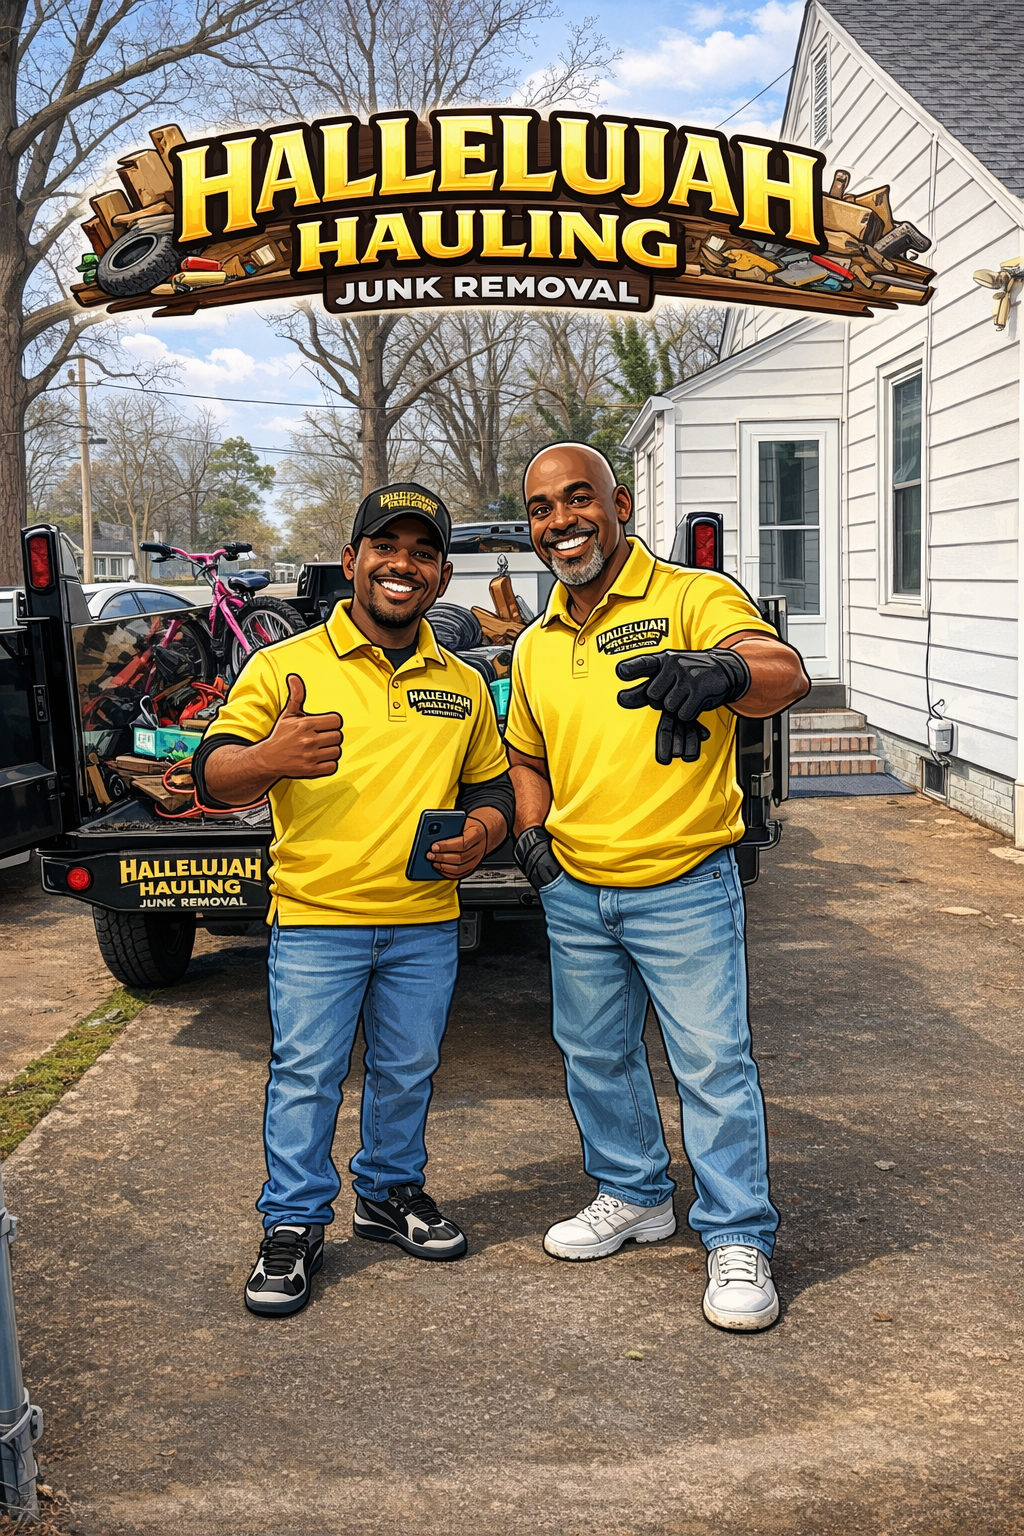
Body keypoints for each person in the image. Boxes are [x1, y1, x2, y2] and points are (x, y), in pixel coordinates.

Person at [506, 443, 809, 1332]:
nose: (561, 521)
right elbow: (526, 751)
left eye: (577, 499)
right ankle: (635, 1195)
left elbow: (781, 671)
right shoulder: (534, 642)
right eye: (541, 509)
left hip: (683, 883)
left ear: (620, 503)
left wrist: (724, 671)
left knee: (713, 1067)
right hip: (577, 890)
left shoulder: (689, 596)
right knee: (595, 1057)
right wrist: (533, 836)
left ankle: (737, 1236)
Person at [193, 483, 512, 1317]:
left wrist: (479, 835)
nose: (402, 564)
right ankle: (294, 1225)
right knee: (307, 1078)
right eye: (386, 547)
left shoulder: (464, 682)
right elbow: (210, 776)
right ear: (352, 561)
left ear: (441, 578)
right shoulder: (284, 666)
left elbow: (492, 791)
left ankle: (388, 1195)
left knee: (406, 1071)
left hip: (424, 924)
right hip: (316, 923)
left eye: (422, 553)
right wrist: (270, 755)